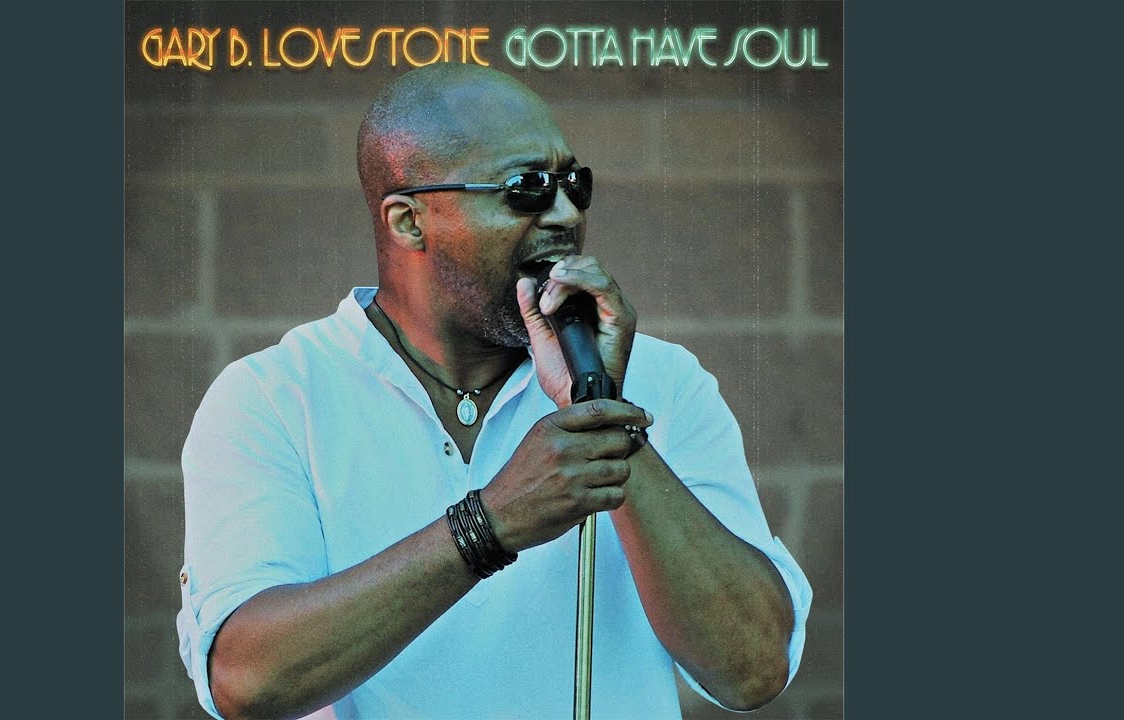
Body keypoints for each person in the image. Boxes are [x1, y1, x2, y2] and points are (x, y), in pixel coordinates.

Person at [177, 63, 812, 720]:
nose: (565, 213)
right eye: (526, 189)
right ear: (409, 221)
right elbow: (246, 682)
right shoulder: (273, 398)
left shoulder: (663, 380)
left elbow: (753, 668)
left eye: (574, 184)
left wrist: (605, 416)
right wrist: (488, 525)